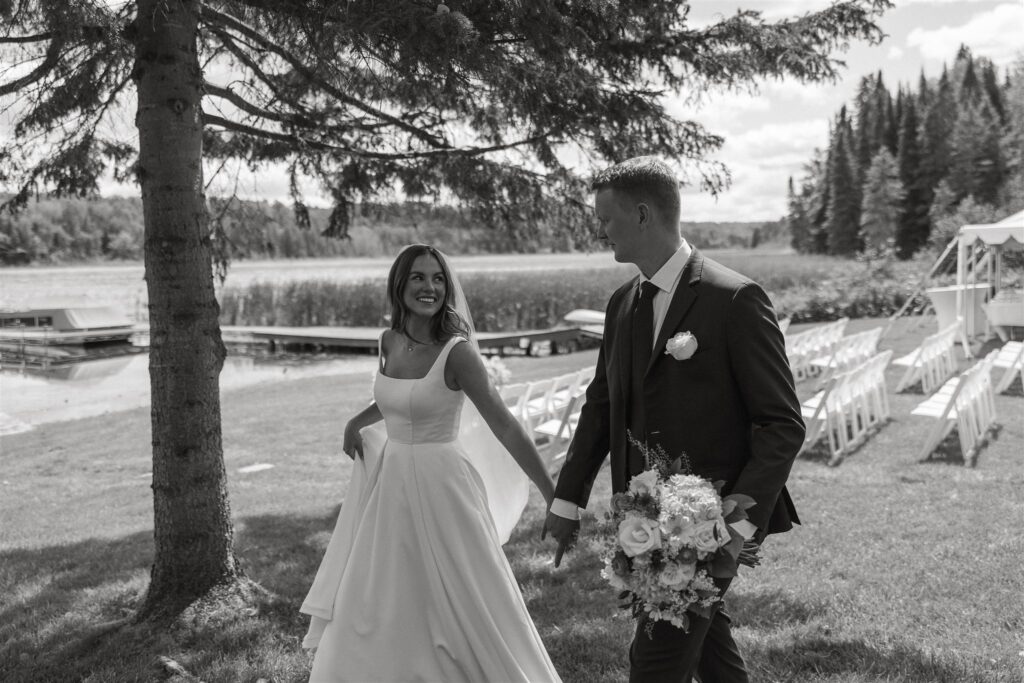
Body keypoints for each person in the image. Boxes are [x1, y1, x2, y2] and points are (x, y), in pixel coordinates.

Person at [543, 156, 805, 683]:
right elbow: (601, 407)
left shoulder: (734, 300)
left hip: (706, 525)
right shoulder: (621, 304)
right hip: (642, 521)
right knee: (712, 656)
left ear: (642, 215)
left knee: (655, 663)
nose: (601, 230)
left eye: (606, 219)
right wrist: (567, 500)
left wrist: (736, 523)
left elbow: (782, 423)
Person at [300, 244, 561, 682]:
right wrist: (358, 419)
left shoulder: (457, 353)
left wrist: (552, 492)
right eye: (419, 277)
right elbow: (399, 398)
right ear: (399, 284)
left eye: (438, 278)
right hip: (392, 487)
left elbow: (505, 425)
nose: (430, 287)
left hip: (444, 487)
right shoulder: (388, 342)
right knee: (381, 592)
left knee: (467, 594)